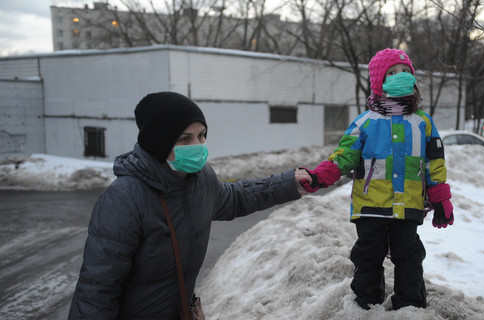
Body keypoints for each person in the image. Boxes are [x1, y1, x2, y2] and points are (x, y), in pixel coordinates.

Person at [68, 91, 312, 319]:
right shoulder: (124, 199)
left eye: (202, 135)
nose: (198, 145)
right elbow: (97, 291)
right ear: (160, 143)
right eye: (185, 139)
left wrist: (289, 183)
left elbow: (236, 197)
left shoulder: (201, 180)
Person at [300, 48, 454, 310]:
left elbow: (434, 164)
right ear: (379, 82)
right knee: (368, 255)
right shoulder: (365, 123)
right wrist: (318, 177)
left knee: (410, 256)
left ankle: (411, 305)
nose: (400, 76)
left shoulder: (423, 123)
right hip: (370, 206)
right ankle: (366, 303)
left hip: (408, 206)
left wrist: (440, 197)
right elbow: (343, 157)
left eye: (405, 72)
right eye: (392, 73)